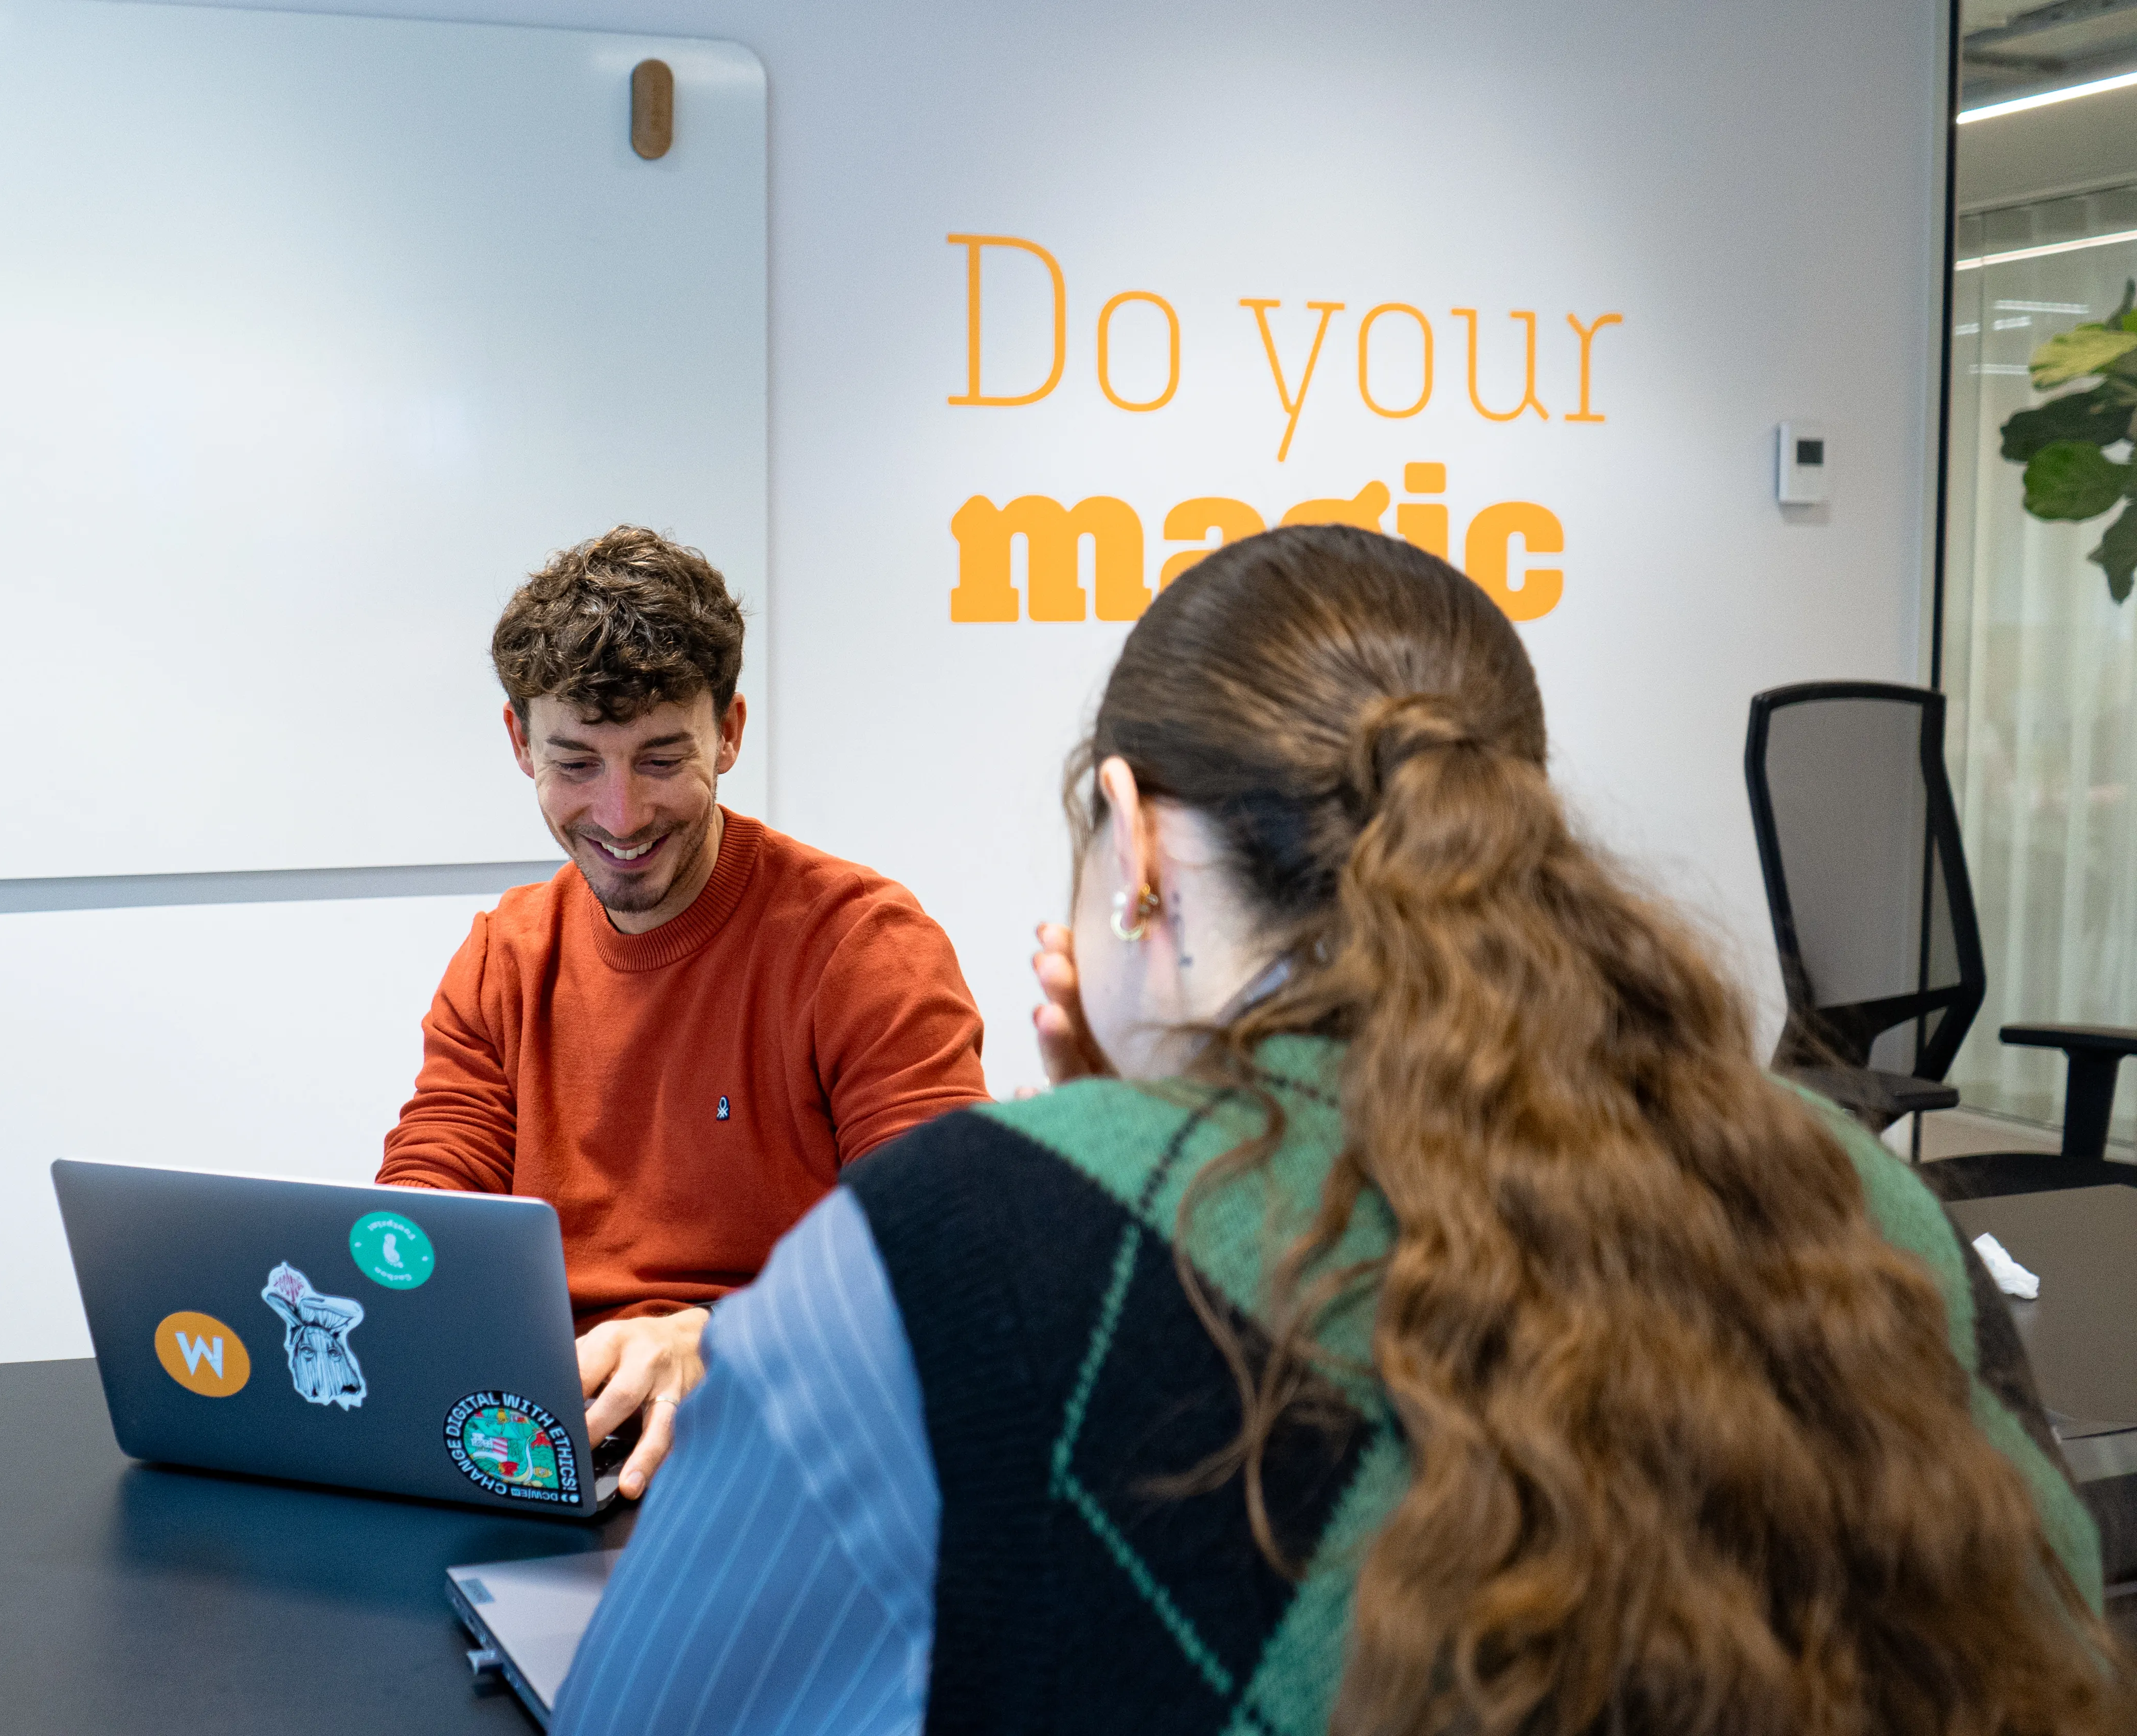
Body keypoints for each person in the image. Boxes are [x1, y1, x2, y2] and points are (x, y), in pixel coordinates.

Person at [555, 525, 2125, 1734]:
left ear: (1135, 841)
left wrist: (1083, 1161)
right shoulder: (1847, 1184)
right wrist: (1126, 1136)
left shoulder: (960, 1242)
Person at [379, 526, 990, 1497]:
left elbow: (938, 1261)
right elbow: (426, 1204)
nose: (620, 816)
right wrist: (382, 1279)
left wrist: (719, 1338)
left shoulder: (864, 947)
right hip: (549, 1437)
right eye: (576, 765)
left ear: (732, 731)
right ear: (518, 741)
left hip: (787, 1441)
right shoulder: (505, 956)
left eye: (662, 760)